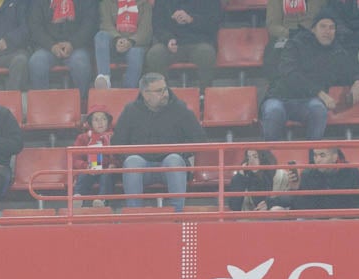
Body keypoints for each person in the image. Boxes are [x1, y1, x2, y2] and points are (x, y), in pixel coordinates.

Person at [262, 14, 359, 141]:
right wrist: (320, 93)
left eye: (332, 28)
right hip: (280, 97)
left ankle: (314, 158)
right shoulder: (295, 44)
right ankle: (270, 157)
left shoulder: (338, 52)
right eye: (323, 26)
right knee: (273, 111)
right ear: (313, 29)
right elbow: (290, 74)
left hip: (309, 102)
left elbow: (354, 70)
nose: (327, 31)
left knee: (318, 110)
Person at [111, 73, 203, 210]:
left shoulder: (180, 109)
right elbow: (117, 143)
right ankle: (134, 215)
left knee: (174, 159)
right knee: (132, 162)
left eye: (165, 89)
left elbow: (199, 138)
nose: (165, 94)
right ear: (145, 94)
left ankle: (178, 215)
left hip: (170, 166)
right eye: (159, 91)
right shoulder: (130, 111)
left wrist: (182, 154)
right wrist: (130, 155)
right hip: (142, 167)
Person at [147, 0, 221, 86]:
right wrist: (168, 39)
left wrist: (192, 19)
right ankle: (164, 95)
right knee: (155, 54)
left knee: (207, 53)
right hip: (171, 45)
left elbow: (213, 24)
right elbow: (158, 25)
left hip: (198, 42)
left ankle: (203, 95)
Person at [30, 0, 99, 93]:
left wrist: (73, 44)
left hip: (77, 47)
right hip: (48, 47)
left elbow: (90, 24)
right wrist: (52, 46)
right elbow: (35, 27)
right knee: (37, 62)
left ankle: (82, 102)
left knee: (80, 62)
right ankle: (42, 104)